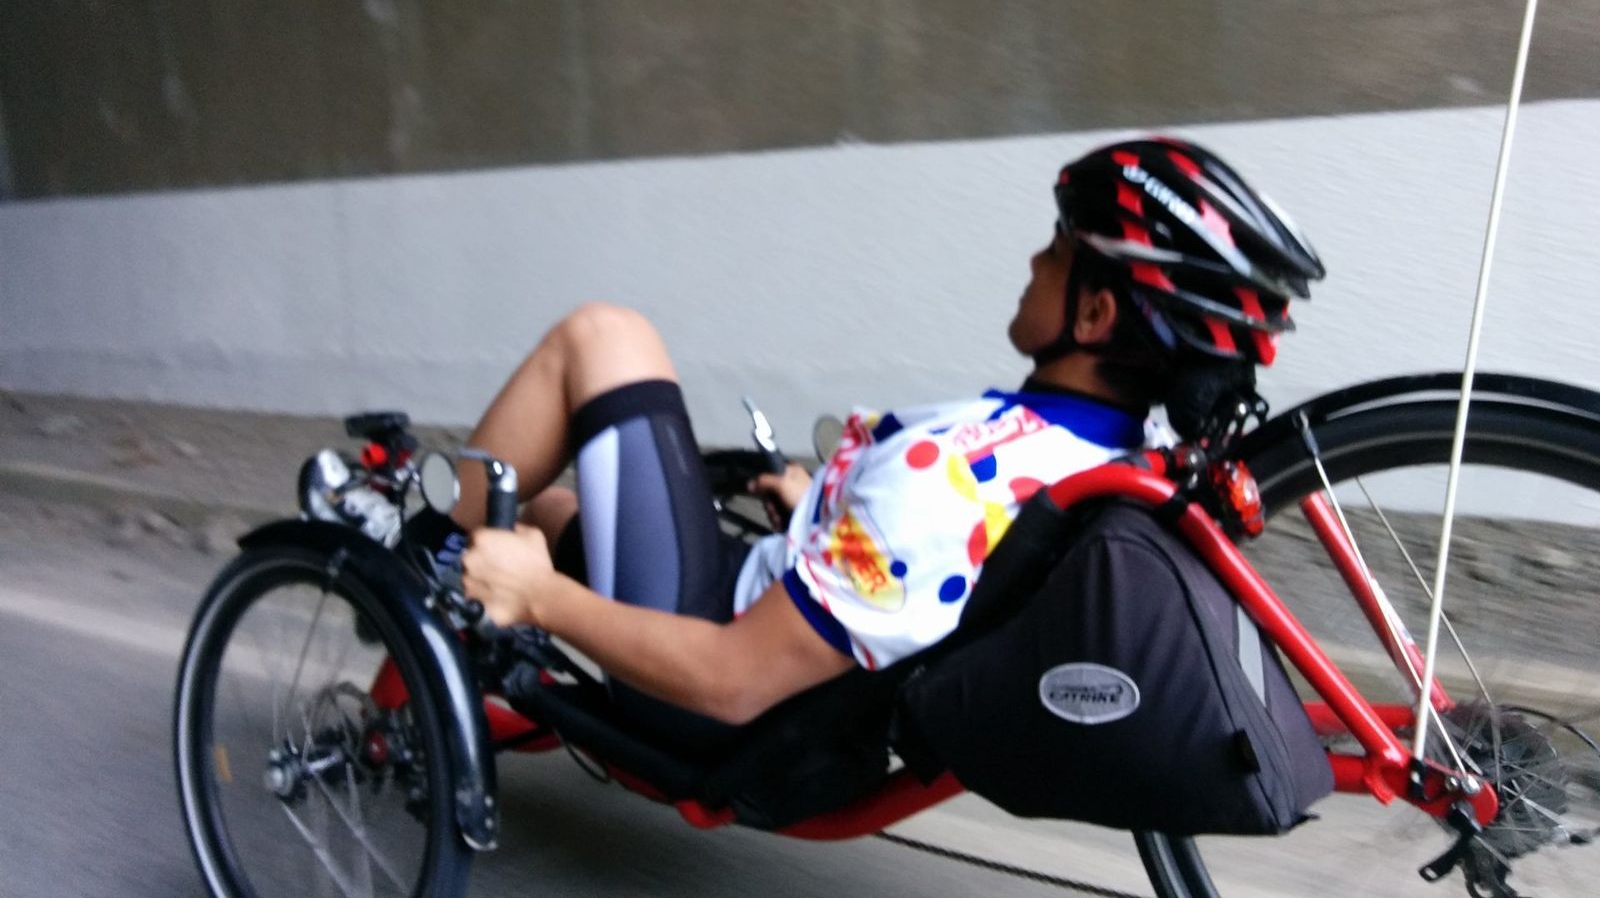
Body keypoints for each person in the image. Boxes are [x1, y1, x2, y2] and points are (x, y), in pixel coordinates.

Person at [457, 137, 1324, 726]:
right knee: (550, 513)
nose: (1034, 262)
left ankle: (426, 552)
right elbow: (910, 566)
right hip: (776, 597)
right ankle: (462, 577)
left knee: (604, 337)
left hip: (706, 665)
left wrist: (541, 600)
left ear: (1094, 315)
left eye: (1058, 251)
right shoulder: (1101, 457)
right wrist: (824, 515)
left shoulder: (942, 493)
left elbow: (732, 682)